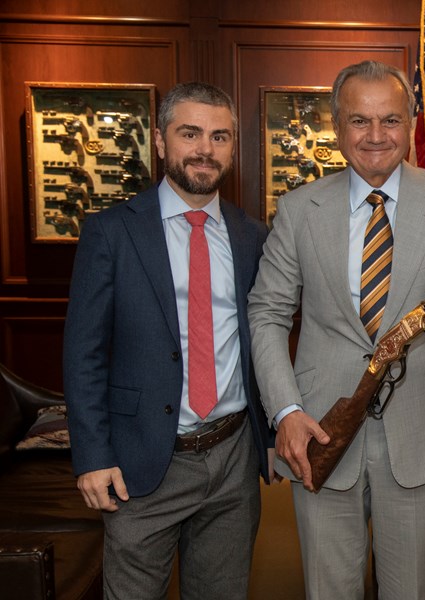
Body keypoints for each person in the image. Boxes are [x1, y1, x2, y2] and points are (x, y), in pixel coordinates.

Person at [247, 60, 425, 599]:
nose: (376, 137)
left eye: (391, 121)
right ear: (336, 125)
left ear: (412, 123)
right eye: (360, 121)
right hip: (320, 432)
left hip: (422, 433)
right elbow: (266, 313)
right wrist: (286, 410)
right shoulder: (299, 208)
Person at [63, 81, 273, 599]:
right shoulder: (111, 232)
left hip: (232, 459)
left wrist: (269, 435)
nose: (205, 148)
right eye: (190, 133)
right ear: (160, 141)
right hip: (141, 464)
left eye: (220, 136)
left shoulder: (253, 237)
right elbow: (83, 352)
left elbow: (263, 337)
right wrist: (91, 455)